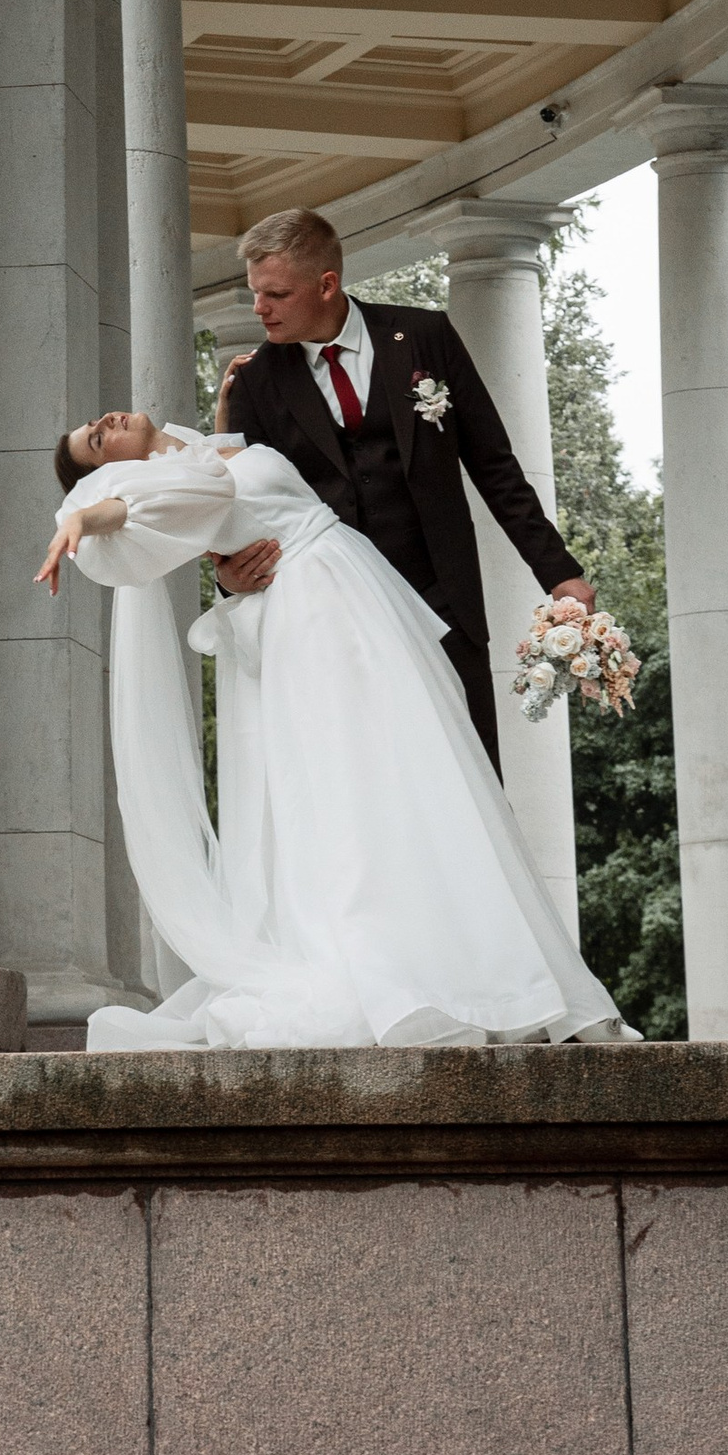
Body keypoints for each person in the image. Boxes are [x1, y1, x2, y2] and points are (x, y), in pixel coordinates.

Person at [38, 407, 633, 1053]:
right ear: (112, 469)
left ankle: (490, 968)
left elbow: (235, 484)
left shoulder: (203, 448)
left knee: (424, 778)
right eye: (97, 439)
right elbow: (119, 510)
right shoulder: (159, 486)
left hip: (361, 597)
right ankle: (389, 977)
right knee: (350, 787)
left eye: (97, 423)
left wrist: (226, 409)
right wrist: (79, 520)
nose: (107, 422)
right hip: (310, 620)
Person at [210, 207, 598, 769]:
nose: (259, 308)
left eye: (276, 294)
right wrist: (228, 578)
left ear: (326, 285)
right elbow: (247, 504)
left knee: (472, 773)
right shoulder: (254, 381)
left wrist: (559, 572)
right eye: (255, 292)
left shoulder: (424, 337)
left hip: (444, 595)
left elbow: (494, 466)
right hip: (333, 615)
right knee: (370, 778)